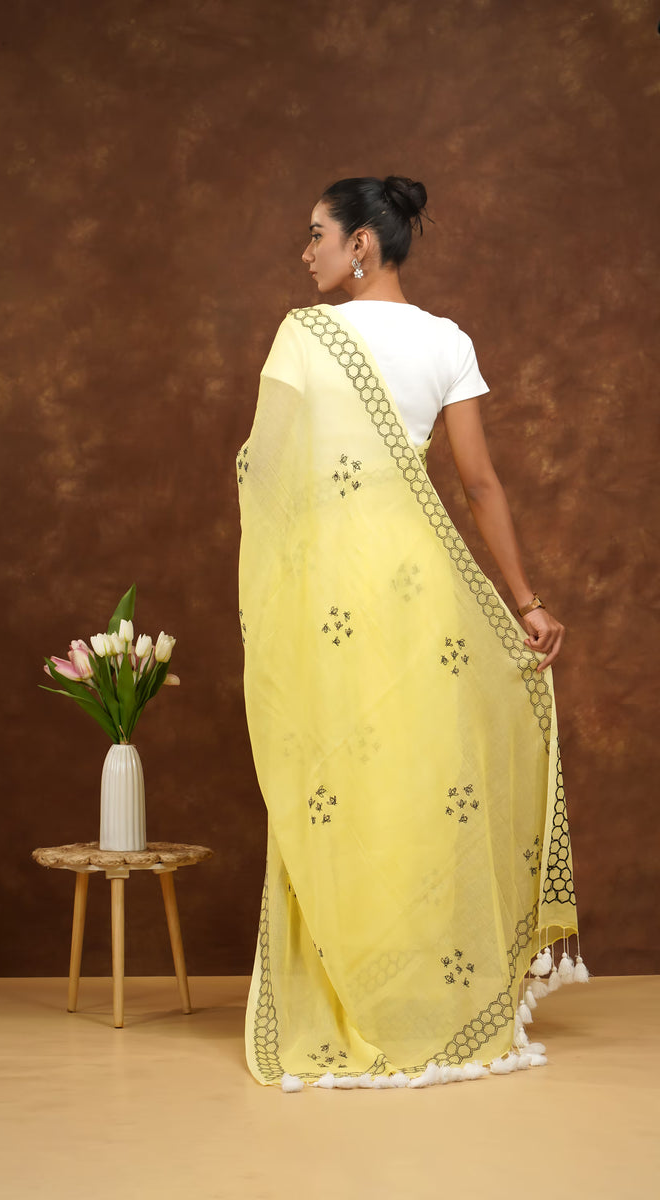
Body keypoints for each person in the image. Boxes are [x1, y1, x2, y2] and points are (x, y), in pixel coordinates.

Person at [236, 175, 584, 1091]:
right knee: (425, 779)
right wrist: (526, 600)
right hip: (425, 591)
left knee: (346, 780)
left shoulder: (303, 337)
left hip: (335, 593)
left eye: (316, 234)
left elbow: (269, 479)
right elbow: (480, 486)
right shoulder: (447, 341)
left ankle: (372, 997)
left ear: (360, 246)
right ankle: (432, 995)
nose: (304, 251)